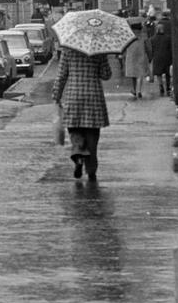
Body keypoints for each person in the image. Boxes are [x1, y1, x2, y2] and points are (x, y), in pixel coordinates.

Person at [52, 45, 112, 182]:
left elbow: (61, 76)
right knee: (92, 137)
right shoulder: (99, 50)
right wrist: (103, 58)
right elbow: (106, 75)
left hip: (74, 97)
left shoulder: (68, 50)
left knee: (75, 130)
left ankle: (78, 153)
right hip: (93, 98)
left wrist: (56, 95)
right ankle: (91, 171)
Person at [120, 20, 150, 98]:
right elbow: (148, 47)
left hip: (131, 57)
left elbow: (124, 46)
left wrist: (122, 55)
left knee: (133, 74)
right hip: (141, 56)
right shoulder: (143, 36)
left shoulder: (128, 36)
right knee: (140, 74)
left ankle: (133, 90)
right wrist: (150, 56)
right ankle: (139, 91)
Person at [151, 16, 175, 95]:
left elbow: (152, 48)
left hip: (157, 57)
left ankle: (160, 86)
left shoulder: (153, 39)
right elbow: (170, 48)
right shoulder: (168, 38)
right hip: (166, 57)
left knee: (159, 73)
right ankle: (168, 87)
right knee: (167, 73)